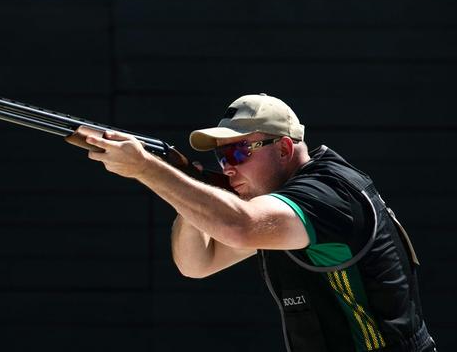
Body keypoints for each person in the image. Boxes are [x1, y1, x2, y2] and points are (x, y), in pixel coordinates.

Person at [85, 93, 436, 352]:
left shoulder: (325, 196)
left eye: (239, 152)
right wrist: (194, 190)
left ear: (284, 149)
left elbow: (239, 227)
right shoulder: (279, 203)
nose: (227, 167)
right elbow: (197, 263)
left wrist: (147, 169)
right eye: (221, 156)